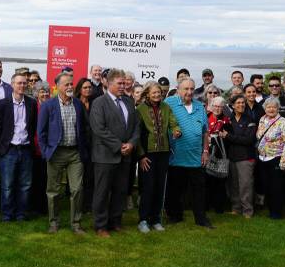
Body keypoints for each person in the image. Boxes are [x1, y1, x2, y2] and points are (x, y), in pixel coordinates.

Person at [89, 69, 139, 236]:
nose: (123, 86)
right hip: (105, 156)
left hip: (125, 156)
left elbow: (136, 126)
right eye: (119, 83)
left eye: (124, 83)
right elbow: (99, 129)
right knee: (102, 192)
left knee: (120, 191)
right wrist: (119, 146)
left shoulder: (128, 101)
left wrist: (131, 144)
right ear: (109, 84)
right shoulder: (99, 103)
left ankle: (115, 221)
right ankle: (101, 226)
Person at [38, 73, 89, 234]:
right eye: (66, 84)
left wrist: (84, 149)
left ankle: (76, 223)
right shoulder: (48, 105)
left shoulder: (78, 105)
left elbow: (85, 129)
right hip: (56, 153)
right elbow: (41, 132)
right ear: (58, 86)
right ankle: (54, 223)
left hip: (75, 154)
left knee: (77, 189)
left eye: (71, 84)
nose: (69, 87)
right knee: (53, 190)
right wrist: (46, 152)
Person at [164, 78, 213, 229]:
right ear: (178, 89)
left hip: (196, 157)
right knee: (175, 189)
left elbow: (205, 132)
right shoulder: (169, 104)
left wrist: (205, 151)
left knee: (199, 190)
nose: (189, 92)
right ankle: (174, 216)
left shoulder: (199, 106)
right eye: (186, 89)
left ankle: (201, 219)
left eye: (192, 89)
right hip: (176, 156)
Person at [135, 81, 179, 232]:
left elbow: (173, 123)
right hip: (147, 154)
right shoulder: (140, 109)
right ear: (147, 93)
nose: (157, 95)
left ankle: (156, 219)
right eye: (154, 92)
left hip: (163, 152)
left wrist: (176, 130)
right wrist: (141, 156)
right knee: (148, 187)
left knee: (160, 187)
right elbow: (137, 134)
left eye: (159, 93)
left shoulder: (166, 107)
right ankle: (143, 220)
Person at [0, 73, 38, 222]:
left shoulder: (31, 103)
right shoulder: (3, 104)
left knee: (25, 185)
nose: (22, 86)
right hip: (9, 149)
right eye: (19, 83)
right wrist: (0, 148)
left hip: (25, 149)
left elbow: (33, 126)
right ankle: (7, 214)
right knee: (7, 185)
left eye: (24, 83)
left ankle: (21, 214)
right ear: (12, 85)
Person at [256, 97, 285, 220]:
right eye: (268, 107)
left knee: (276, 187)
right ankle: (270, 209)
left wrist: (284, 162)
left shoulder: (283, 122)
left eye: (274, 107)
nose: (271, 109)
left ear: (278, 108)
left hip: (276, 158)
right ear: (265, 108)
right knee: (266, 186)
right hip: (262, 158)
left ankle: (276, 213)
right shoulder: (262, 119)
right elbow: (259, 135)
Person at [224, 93, 257, 218]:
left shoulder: (250, 120)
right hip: (232, 156)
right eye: (238, 103)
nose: (241, 105)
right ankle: (236, 208)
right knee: (234, 185)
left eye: (243, 103)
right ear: (232, 105)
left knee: (246, 185)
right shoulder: (228, 119)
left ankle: (247, 211)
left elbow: (248, 140)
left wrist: (229, 136)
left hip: (246, 158)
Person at [204, 96, 231, 214]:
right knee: (207, 180)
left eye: (220, 106)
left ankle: (219, 207)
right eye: (215, 106)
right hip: (207, 153)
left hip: (220, 155)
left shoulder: (227, 120)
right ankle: (206, 205)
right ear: (211, 106)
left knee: (219, 181)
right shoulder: (205, 118)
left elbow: (228, 137)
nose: (217, 108)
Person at [74, 77, 96, 213]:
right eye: (85, 87)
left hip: (93, 145)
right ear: (80, 89)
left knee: (90, 176)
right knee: (78, 178)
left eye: (89, 87)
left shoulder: (95, 103)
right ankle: (77, 205)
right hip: (78, 144)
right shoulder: (75, 103)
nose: (88, 89)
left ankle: (87, 205)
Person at [30, 81, 52, 215]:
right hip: (35, 147)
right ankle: (34, 206)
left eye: (46, 91)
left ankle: (45, 207)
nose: (44, 94)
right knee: (35, 179)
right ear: (36, 93)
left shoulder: (52, 106)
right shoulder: (33, 106)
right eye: (42, 92)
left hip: (49, 148)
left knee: (47, 179)